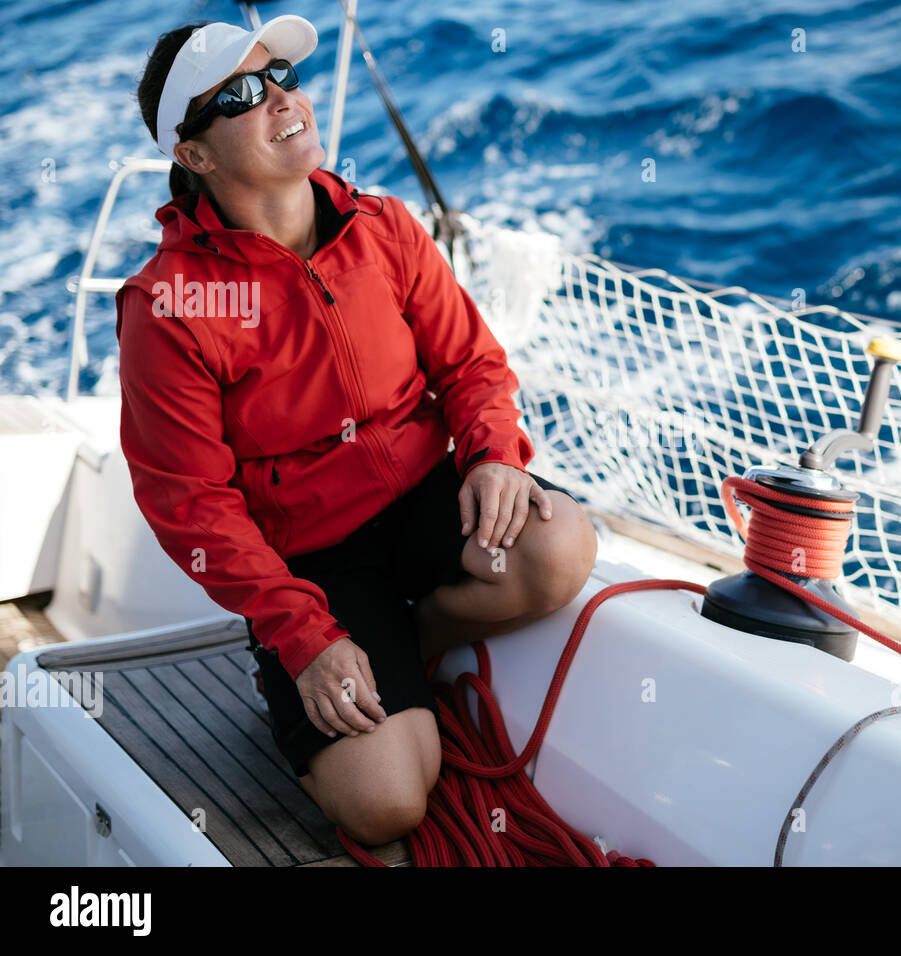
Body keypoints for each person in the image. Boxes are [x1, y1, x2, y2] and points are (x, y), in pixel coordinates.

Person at [118, 15, 598, 847]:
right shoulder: (171, 306)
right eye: (239, 95)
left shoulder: (383, 226)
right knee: (386, 803)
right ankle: (329, 665)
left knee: (558, 550)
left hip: (422, 495)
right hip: (309, 559)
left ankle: (415, 639)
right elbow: (191, 506)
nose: (278, 100)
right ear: (193, 155)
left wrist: (491, 457)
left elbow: (473, 367)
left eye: (282, 78)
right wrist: (303, 638)